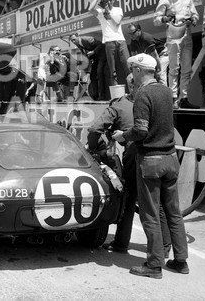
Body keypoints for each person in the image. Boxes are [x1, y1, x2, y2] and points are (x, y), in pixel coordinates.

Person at [113, 53, 189, 279]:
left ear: (137, 70)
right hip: (171, 158)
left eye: (131, 71)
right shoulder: (166, 91)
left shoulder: (143, 94)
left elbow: (141, 130)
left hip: (151, 161)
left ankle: (154, 265)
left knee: (151, 214)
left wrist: (122, 136)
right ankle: (180, 261)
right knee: (173, 213)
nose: (131, 76)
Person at [87, 74, 138, 253]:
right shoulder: (152, 103)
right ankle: (164, 247)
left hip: (134, 155)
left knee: (129, 200)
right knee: (160, 204)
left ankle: (121, 243)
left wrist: (91, 148)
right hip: (159, 156)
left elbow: (94, 129)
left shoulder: (119, 106)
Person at [154, 0, 199, 109]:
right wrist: (165, 18)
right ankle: (173, 98)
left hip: (187, 33)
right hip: (173, 36)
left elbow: (195, 13)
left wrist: (194, 19)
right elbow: (156, 19)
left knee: (187, 68)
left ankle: (184, 97)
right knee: (174, 68)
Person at [89, 0, 130, 87]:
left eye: (110, 0)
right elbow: (90, 9)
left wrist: (108, 12)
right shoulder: (100, 12)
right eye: (107, 1)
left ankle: (133, 91)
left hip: (120, 40)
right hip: (108, 41)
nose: (109, 2)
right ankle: (116, 96)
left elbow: (117, 21)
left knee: (127, 67)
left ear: (114, 0)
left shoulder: (118, 9)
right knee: (112, 70)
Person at [69, 32, 108, 100]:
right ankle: (95, 95)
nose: (73, 41)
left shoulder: (88, 39)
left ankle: (102, 95)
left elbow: (101, 45)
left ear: (78, 36)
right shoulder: (78, 44)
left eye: (74, 39)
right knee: (92, 75)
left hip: (101, 56)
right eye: (72, 40)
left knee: (99, 72)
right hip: (95, 59)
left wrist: (93, 52)